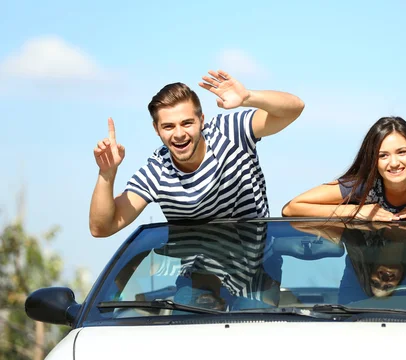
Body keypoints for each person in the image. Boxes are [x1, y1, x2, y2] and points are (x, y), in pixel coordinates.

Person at [90, 69, 304, 237]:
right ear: (157, 130)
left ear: (202, 121)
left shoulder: (229, 131)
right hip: (200, 279)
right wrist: (106, 175)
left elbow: (295, 108)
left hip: (260, 266)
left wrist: (248, 97)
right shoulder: (157, 171)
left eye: (187, 123)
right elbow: (102, 228)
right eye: (168, 126)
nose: (179, 134)